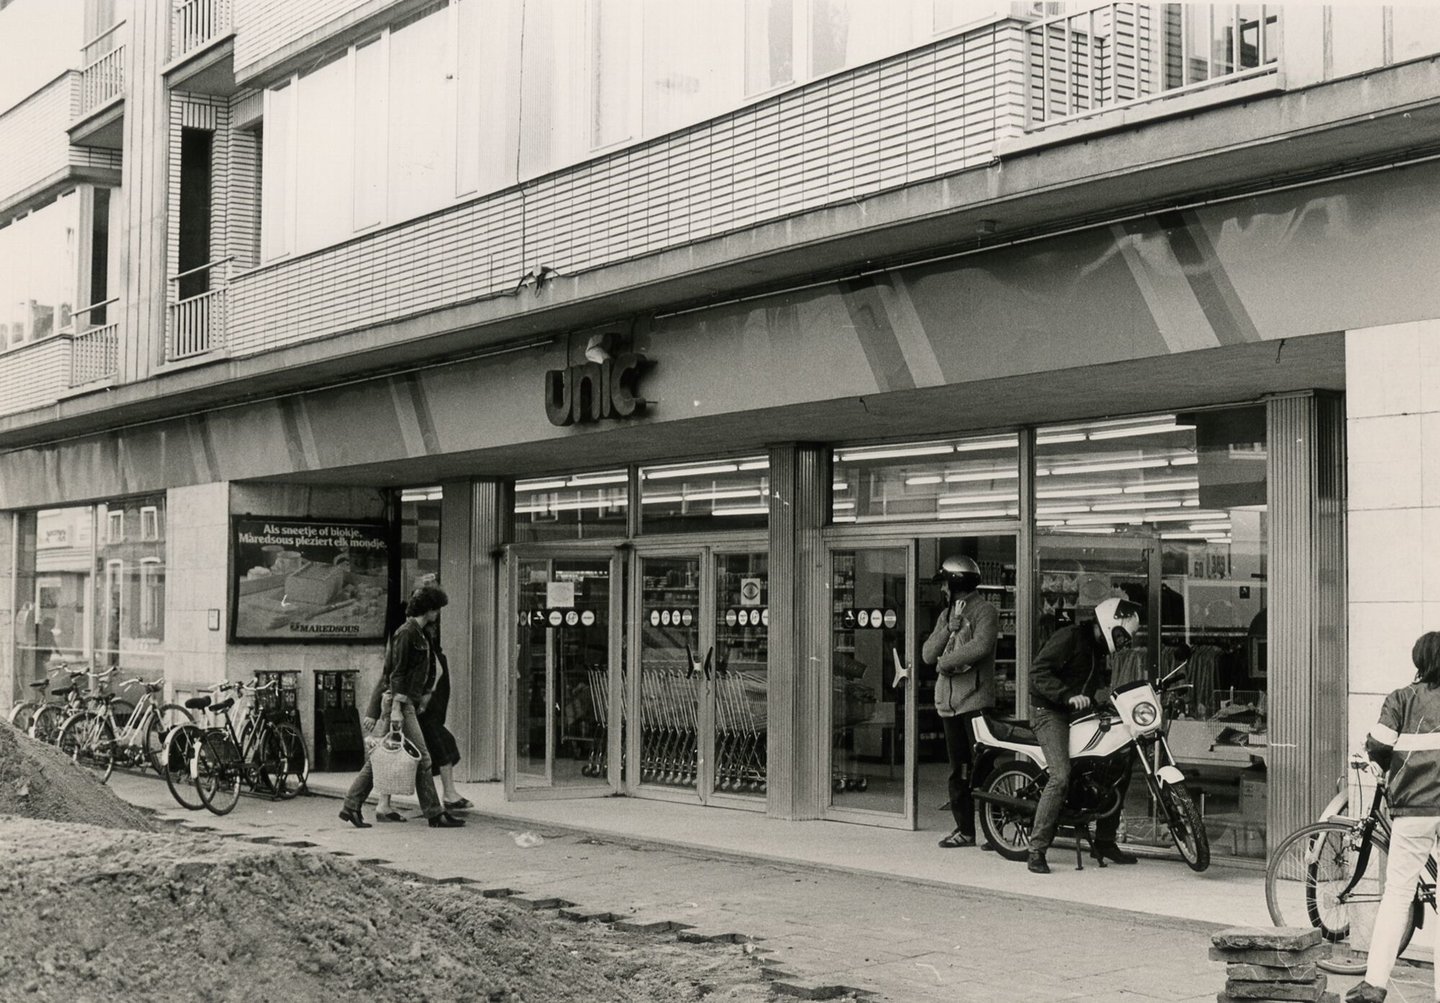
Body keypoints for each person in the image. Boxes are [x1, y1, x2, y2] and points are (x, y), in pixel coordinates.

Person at [1344, 631, 1440, 1003]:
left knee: (1397, 896)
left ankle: (1374, 985)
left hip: (1413, 811)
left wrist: (1377, 765)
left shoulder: (1401, 699)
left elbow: (1377, 746)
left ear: (1418, 661)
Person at [1026, 596, 1143, 874]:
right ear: (1107, 623)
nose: (1123, 642)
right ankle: (1037, 849)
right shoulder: (1069, 637)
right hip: (1050, 711)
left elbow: (1095, 685)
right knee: (1061, 775)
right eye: (1121, 635)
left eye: (1126, 638)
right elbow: (1037, 672)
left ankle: (1104, 841)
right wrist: (1066, 695)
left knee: (1117, 765)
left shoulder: (1098, 649)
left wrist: (1110, 699)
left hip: (1078, 713)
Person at [339, 584, 465, 829]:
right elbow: (396, 675)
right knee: (424, 758)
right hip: (401, 704)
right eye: (436, 608)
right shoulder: (407, 633)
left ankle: (351, 806)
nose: (438, 613)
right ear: (428, 609)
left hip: (405, 703)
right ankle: (434, 813)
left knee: (380, 757)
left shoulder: (418, 633)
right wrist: (397, 709)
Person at [921, 555, 999, 849]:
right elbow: (927, 654)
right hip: (950, 706)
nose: (942, 589)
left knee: (985, 768)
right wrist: (947, 629)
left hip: (975, 701)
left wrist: (946, 662)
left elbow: (981, 645)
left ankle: (996, 830)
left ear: (956, 583)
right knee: (958, 770)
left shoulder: (985, 611)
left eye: (944, 583)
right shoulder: (946, 616)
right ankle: (965, 830)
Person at [418, 614, 468, 811]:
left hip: (429, 711)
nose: (436, 629)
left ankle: (448, 795)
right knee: (441, 748)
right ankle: (447, 795)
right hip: (422, 710)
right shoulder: (418, 644)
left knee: (439, 748)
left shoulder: (431, 647)